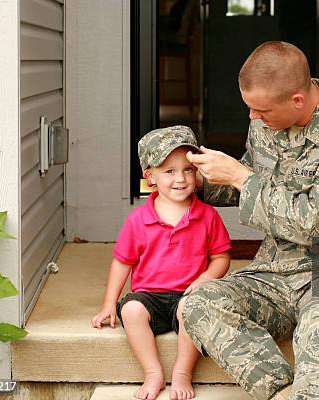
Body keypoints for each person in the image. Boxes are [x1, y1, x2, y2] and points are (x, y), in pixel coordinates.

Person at [183, 41, 319, 400]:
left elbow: (312, 221)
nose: (253, 118)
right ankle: (280, 393)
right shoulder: (265, 125)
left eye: (261, 110)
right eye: (250, 108)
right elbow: (253, 186)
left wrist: (239, 177)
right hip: (274, 274)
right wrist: (198, 181)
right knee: (199, 302)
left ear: (296, 99)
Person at [91, 126, 232, 400]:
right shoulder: (138, 220)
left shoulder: (207, 216)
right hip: (150, 297)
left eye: (188, 169)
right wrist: (109, 304)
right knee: (131, 310)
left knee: (193, 311)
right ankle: (153, 372)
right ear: (150, 177)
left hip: (190, 294)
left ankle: (182, 373)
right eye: (169, 171)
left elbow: (221, 257)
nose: (180, 178)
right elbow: (122, 262)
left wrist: (205, 279)